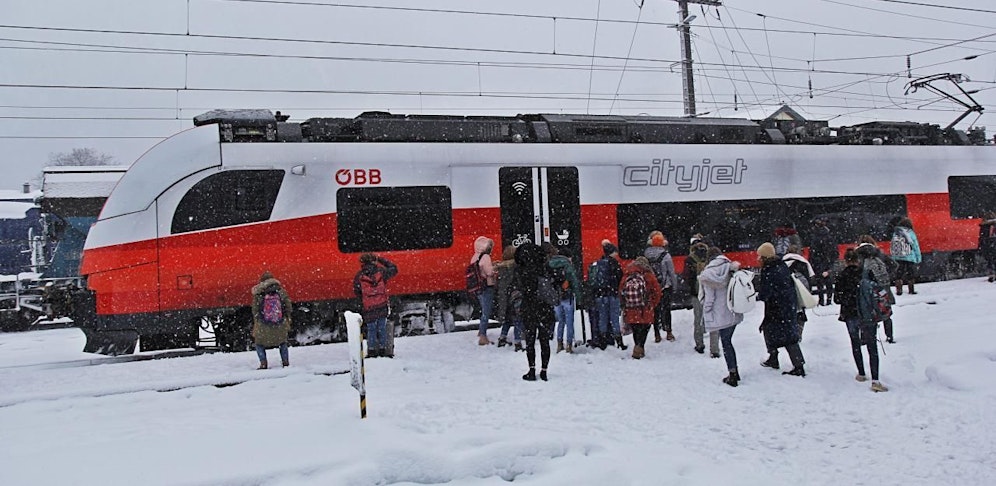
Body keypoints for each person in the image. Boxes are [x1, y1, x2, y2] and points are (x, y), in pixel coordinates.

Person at [834, 248, 889, 392]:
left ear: (845, 261)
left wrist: (848, 298)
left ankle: (861, 373)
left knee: (855, 343)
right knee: (872, 346)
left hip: (849, 314)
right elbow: (878, 291)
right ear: (858, 260)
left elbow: (837, 299)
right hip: (867, 314)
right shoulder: (866, 273)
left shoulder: (841, 276)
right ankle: (875, 379)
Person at [756, 242, 806, 376]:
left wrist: (759, 294)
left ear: (765, 257)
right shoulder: (780, 265)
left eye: (760, 256)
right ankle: (782, 359)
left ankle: (796, 365)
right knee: (783, 332)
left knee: (781, 334)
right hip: (786, 305)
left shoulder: (769, 271)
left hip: (777, 307)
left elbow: (766, 293)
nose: (758, 259)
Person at [698, 247, 744, 387]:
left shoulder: (708, 274)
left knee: (726, 343)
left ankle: (733, 373)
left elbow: (709, 299)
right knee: (728, 341)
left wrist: (706, 313)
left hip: (719, 313)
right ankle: (734, 371)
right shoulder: (731, 268)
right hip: (733, 310)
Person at [514, 242, 557, 381]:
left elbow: (518, 290)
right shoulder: (546, 269)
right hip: (545, 308)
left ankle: (531, 370)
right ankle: (544, 370)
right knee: (544, 341)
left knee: (530, 341)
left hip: (529, 309)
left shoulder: (522, 272)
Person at [353, 253, 399, 358]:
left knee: (371, 329)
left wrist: (365, 300)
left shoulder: (359, 276)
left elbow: (357, 291)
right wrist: (381, 260)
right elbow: (394, 268)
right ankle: (383, 350)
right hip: (381, 304)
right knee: (382, 328)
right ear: (374, 261)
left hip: (369, 307)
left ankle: (371, 350)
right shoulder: (381, 272)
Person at [856, 236, 897, 343]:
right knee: (886, 314)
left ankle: (865, 338)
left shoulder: (860, 256)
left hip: (867, 290)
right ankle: (889, 336)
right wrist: (888, 275)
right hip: (883, 289)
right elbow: (894, 265)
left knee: (866, 314)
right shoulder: (880, 254)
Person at [683, 237, 720, 357]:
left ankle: (699, 344)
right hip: (712, 293)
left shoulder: (690, 259)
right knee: (714, 320)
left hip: (697, 293)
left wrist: (692, 288)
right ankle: (714, 349)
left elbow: (687, 277)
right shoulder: (712, 259)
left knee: (698, 319)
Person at [620, 256, 662, 359]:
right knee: (644, 328)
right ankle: (639, 347)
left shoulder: (627, 275)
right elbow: (657, 291)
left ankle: (638, 347)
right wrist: (652, 303)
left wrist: (625, 303)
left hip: (631, 307)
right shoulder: (648, 275)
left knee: (636, 329)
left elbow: (621, 290)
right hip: (645, 308)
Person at [543, 244, 582, 354]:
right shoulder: (567, 264)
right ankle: (569, 344)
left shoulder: (549, 263)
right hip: (567, 296)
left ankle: (559, 344)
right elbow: (574, 281)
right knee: (569, 322)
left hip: (555, 297)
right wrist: (579, 298)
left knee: (560, 321)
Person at [251, 271, 293, 369]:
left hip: (263, 326)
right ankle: (285, 362)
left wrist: (260, 320)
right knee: (283, 343)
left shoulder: (259, 293)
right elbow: (288, 307)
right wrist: (284, 318)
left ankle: (263, 363)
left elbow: (255, 311)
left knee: (259, 344)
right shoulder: (281, 291)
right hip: (280, 324)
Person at [590, 240, 626, 350]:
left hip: (600, 295)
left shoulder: (598, 263)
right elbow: (620, 278)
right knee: (614, 318)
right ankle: (619, 342)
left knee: (603, 318)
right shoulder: (614, 263)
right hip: (612, 294)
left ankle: (603, 341)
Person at [644, 230, 678, 343]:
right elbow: (671, 272)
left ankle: (657, 334)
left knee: (656, 310)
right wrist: (674, 285)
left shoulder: (646, 255)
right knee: (666, 309)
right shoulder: (666, 255)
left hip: (653, 287)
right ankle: (668, 331)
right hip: (665, 286)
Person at [783, 244, 816, 339]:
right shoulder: (803, 263)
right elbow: (810, 279)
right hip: (802, 292)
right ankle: (799, 332)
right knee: (801, 313)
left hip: (788, 293)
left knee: (789, 313)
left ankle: (790, 332)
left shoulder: (782, 263)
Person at [495, 245, 523, 351]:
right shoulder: (515, 266)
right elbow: (517, 281)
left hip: (504, 297)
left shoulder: (501, 267)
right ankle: (517, 342)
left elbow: (499, 285)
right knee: (517, 319)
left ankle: (502, 337)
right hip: (515, 296)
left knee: (507, 319)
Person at [471, 236, 498, 346]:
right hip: (486, 286)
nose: (490, 248)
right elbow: (489, 272)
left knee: (483, 310)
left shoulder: (475, 256)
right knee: (486, 311)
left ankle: (481, 331)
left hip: (478, 287)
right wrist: (495, 269)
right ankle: (483, 336)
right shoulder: (485, 256)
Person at [808, 218, 837, 306]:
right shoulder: (829, 236)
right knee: (828, 281)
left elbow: (813, 252)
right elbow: (833, 251)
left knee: (819, 282)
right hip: (827, 261)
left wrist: (812, 261)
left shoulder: (814, 237)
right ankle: (828, 299)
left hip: (818, 262)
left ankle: (821, 300)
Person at [891, 217, 922, 295]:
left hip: (898, 256)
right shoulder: (910, 232)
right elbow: (915, 245)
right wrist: (918, 257)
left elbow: (892, 245)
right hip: (909, 256)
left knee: (899, 272)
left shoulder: (896, 232)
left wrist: (893, 256)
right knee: (910, 272)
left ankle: (899, 290)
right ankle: (911, 290)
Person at [980, 212, 996, 282]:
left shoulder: (983, 226)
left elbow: (981, 237)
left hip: (987, 245)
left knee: (990, 261)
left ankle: (991, 274)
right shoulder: (993, 226)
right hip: (992, 244)